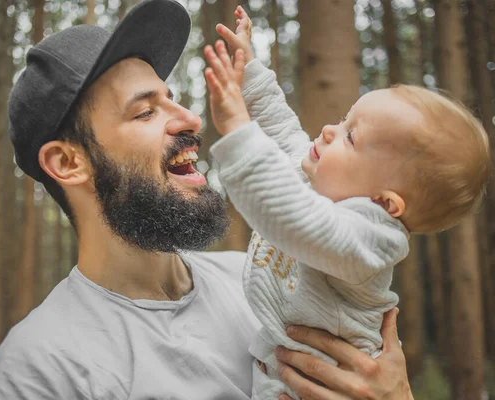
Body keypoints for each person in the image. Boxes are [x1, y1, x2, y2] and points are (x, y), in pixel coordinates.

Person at [0, 1, 414, 399]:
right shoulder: (39, 373)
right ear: (69, 163)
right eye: (146, 111)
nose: (190, 118)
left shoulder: (266, 281)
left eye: (173, 98)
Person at [203, 5, 491, 400]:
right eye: (343, 119)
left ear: (384, 203)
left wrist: (237, 130)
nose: (327, 130)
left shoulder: (371, 239)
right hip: (286, 369)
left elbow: (292, 221)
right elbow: (283, 132)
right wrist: (249, 68)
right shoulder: (320, 185)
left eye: (350, 137)